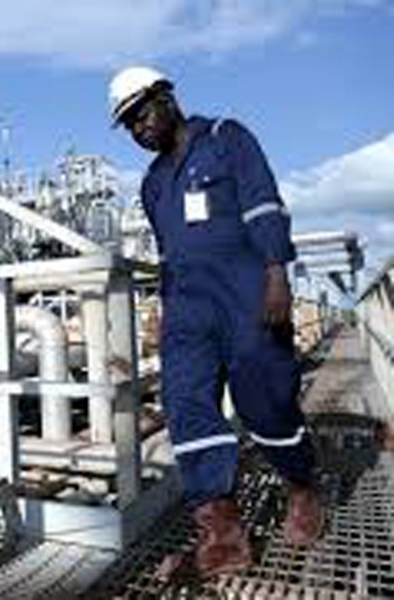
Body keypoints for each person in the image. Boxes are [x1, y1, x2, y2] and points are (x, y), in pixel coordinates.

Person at [107, 66, 323, 577]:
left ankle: (302, 486)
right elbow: (168, 253)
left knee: (265, 402)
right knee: (185, 406)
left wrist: (277, 274)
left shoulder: (227, 138)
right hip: (187, 309)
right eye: (129, 125)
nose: (140, 129)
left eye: (142, 114)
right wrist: (163, 310)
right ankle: (222, 534)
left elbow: (264, 204)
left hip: (246, 295)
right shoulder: (153, 182)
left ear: (166, 98)